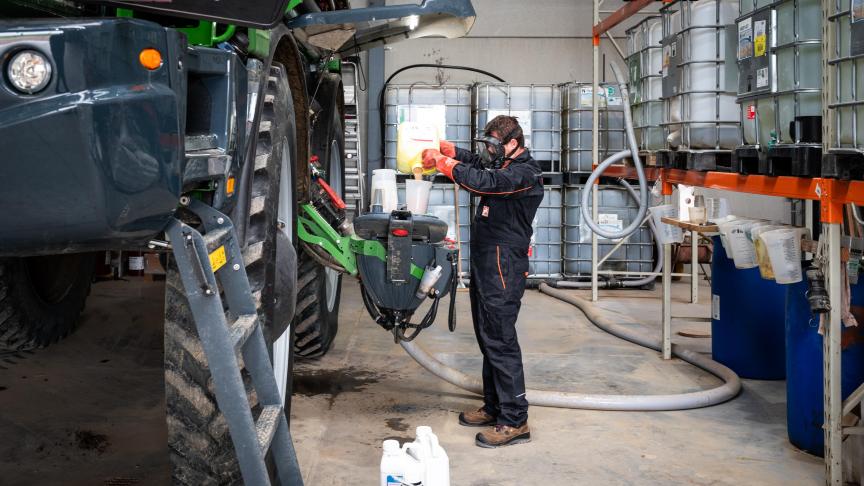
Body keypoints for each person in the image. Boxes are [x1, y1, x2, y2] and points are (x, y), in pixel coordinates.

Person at [421, 115, 543, 448]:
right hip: (488, 263)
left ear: (513, 144)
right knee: (487, 336)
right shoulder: (504, 162)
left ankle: (515, 419)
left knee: (501, 340)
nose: (488, 152)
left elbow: (483, 182)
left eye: (494, 146)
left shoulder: (525, 174)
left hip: (504, 266)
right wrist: (454, 151)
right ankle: (494, 406)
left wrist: (445, 163)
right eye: (486, 145)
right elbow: (479, 163)